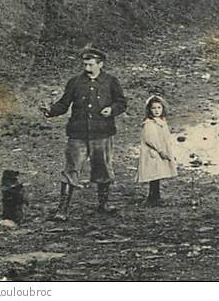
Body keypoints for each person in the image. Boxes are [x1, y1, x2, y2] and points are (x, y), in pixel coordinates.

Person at [40, 46, 127, 220]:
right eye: (85, 64)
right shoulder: (75, 82)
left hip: (102, 133)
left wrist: (112, 109)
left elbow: (122, 102)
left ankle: (103, 205)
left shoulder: (111, 81)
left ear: (100, 64)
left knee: (103, 168)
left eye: (90, 65)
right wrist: (50, 110)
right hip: (78, 134)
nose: (87, 68)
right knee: (71, 169)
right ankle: (62, 210)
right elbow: (64, 104)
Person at [137, 95, 178, 206]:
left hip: (159, 151)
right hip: (153, 152)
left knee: (158, 174)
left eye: (159, 108)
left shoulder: (161, 122)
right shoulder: (149, 124)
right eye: (154, 108)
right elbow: (150, 139)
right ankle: (152, 198)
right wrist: (161, 151)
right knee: (153, 175)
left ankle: (156, 196)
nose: (156, 111)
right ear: (149, 110)